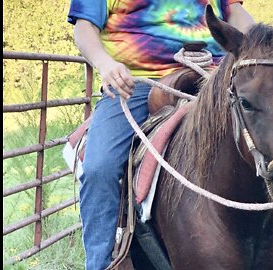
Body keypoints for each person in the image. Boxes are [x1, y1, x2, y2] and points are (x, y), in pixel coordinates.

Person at [67, 1, 255, 269]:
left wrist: (269, 50)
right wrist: (105, 64)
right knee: (100, 167)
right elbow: (84, 28)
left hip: (214, 79)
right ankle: (100, 262)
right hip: (135, 84)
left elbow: (235, 14)